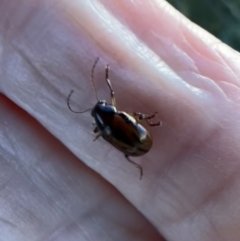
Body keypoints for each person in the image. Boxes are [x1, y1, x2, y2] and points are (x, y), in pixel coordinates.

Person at [0, 0, 239, 240]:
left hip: (136, 145)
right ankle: (149, 126)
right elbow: (117, 102)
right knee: (132, 122)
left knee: (130, 130)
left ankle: (145, 137)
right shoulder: (113, 119)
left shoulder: (105, 128)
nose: (104, 102)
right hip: (138, 142)